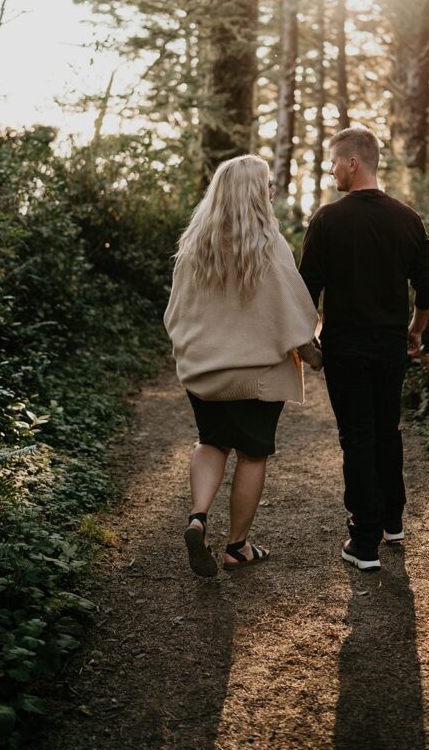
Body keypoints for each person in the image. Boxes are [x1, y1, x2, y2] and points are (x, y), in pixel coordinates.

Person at [164, 154, 321, 578]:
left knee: (211, 442)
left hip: (205, 371)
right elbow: (294, 308)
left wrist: (192, 352)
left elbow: (175, 312)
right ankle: (237, 547)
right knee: (253, 454)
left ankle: (198, 518)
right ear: (255, 194)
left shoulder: (195, 244)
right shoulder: (269, 243)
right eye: (268, 186)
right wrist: (311, 350)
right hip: (258, 376)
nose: (272, 192)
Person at [299, 125, 429, 572]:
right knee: (386, 430)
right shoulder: (407, 218)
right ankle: (393, 522)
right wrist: (416, 329)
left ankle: (364, 543)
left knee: (357, 437)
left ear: (354, 163)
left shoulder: (327, 220)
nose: (332, 169)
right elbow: (427, 286)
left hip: (346, 347)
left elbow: (307, 292)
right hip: (390, 345)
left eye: (335, 161)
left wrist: (307, 341)